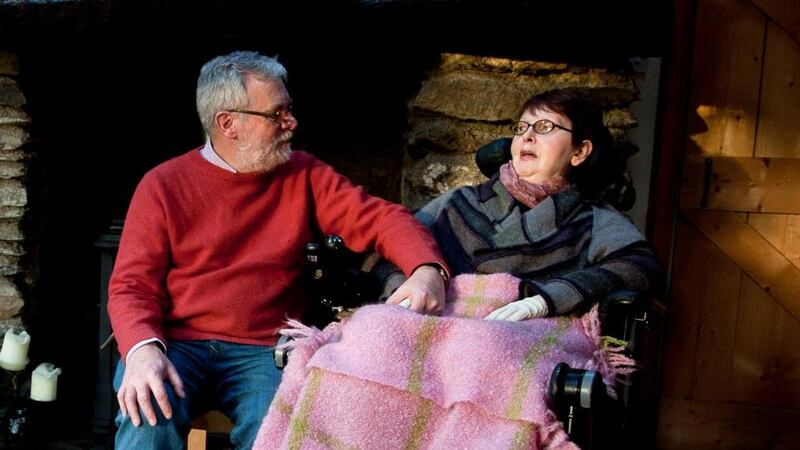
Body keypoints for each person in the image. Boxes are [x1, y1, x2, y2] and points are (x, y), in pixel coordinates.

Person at [107, 50, 449, 450]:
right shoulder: (162, 185)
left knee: (281, 430)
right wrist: (142, 350)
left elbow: (381, 219)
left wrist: (427, 269)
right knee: (147, 416)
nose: (291, 123)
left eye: (289, 109)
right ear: (228, 123)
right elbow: (131, 286)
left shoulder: (305, 173)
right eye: (277, 113)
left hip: (267, 349)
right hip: (177, 343)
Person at [386, 88, 661, 319]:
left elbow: (641, 267)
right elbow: (394, 242)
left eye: (545, 127)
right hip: (432, 326)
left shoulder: (593, 220)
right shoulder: (458, 203)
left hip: (522, 344)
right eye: (522, 127)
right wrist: (406, 291)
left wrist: (546, 301)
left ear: (579, 151)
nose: (528, 136)